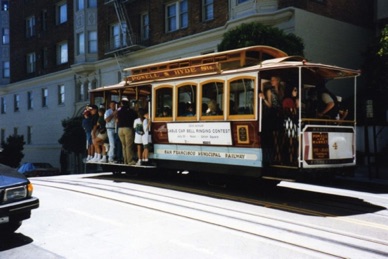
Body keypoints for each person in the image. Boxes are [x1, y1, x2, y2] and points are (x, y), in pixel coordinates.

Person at [259, 76, 283, 164]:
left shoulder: (281, 91)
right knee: (275, 136)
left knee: (280, 135)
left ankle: (278, 155)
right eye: (271, 80)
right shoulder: (269, 91)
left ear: (278, 81)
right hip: (272, 115)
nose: (271, 81)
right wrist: (264, 98)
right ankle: (277, 156)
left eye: (273, 80)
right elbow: (269, 105)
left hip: (280, 115)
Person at [117, 98, 137, 165]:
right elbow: (135, 117)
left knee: (124, 145)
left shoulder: (119, 110)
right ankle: (130, 161)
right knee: (129, 145)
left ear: (122, 104)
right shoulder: (130, 110)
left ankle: (125, 160)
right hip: (128, 128)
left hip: (120, 129)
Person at [282, 85, 299, 165]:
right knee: (292, 141)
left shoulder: (293, 100)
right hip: (290, 122)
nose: (296, 92)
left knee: (293, 141)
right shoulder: (288, 100)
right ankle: (291, 159)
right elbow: (291, 112)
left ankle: (293, 158)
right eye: (295, 90)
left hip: (292, 122)